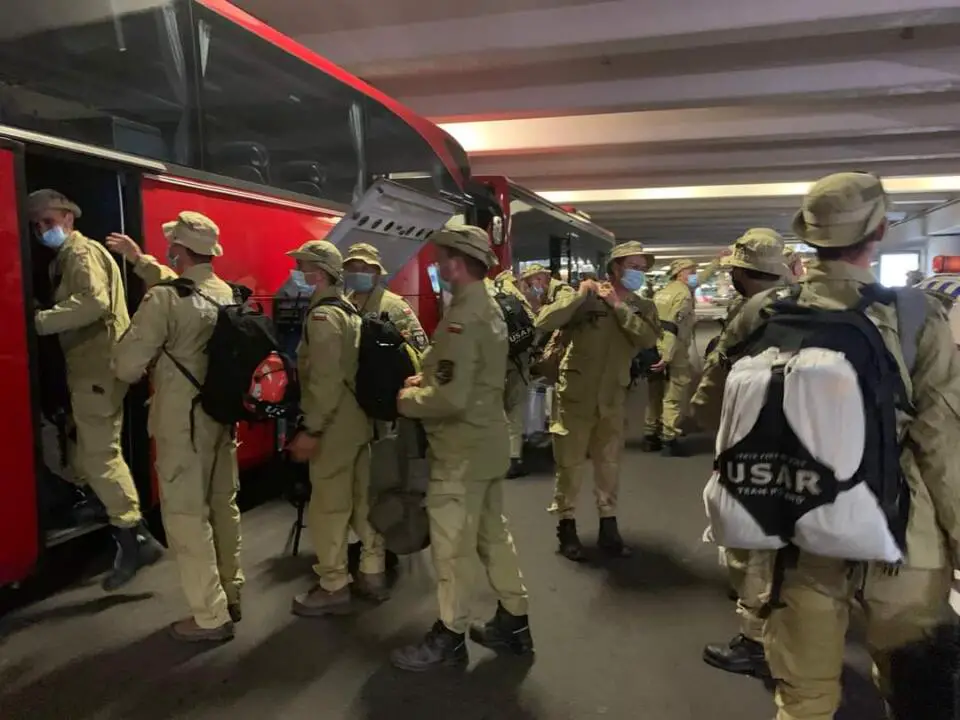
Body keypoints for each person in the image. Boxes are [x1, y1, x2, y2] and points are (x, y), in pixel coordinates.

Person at [696, 172, 960, 719]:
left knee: (804, 697)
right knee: (917, 694)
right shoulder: (916, 315)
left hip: (799, 531)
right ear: (879, 231)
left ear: (809, 237)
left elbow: (707, 408)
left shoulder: (762, 311)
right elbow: (939, 441)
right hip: (901, 537)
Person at [390, 225, 531, 672]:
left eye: (441, 257)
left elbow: (450, 398)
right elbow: (467, 375)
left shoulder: (462, 317)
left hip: (460, 452)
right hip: (487, 442)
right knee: (492, 536)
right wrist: (429, 377)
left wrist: (407, 399)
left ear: (456, 262)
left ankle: (450, 637)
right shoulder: (485, 306)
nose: (436, 264)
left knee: (452, 547)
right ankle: (514, 621)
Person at [111, 212, 241, 642]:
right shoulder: (224, 292)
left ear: (179, 250)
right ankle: (230, 594)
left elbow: (127, 366)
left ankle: (209, 616)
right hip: (221, 418)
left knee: (186, 516)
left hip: (183, 422)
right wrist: (141, 261)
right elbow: (181, 286)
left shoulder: (163, 300)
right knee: (222, 507)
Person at [28, 189, 162, 591]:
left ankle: (134, 537)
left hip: (97, 369)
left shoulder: (80, 253)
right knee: (92, 449)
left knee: (101, 454)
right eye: (37, 225)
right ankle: (108, 509)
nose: (42, 230)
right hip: (93, 368)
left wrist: (38, 321)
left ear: (69, 219)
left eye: (49, 222)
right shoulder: (69, 255)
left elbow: (94, 302)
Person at [689, 228, 790, 678]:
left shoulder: (753, 312)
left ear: (741, 272)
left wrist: (704, 418)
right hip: (813, 441)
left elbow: (718, 379)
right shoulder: (809, 301)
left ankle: (755, 640)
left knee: (753, 538)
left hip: (756, 438)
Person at [536, 241, 660, 561]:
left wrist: (618, 306)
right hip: (575, 396)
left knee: (609, 464)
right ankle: (566, 525)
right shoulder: (586, 296)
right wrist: (579, 296)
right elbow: (544, 321)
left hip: (612, 397)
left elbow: (647, 338)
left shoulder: (642, 306)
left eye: (642, 268)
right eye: (633, 267)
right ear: (615, 268)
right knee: (570, 464)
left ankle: (609, 526)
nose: (638, 273)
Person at [284, 240, 387, 614]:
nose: (298, 273)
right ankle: (372, 572)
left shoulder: (323, 317)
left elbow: (325, 380)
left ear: (319, 273)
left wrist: (311, 429)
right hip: (357, 422)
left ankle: (333, 585)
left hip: (333, 426)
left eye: (303, 267)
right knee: (361, 501)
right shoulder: (349, 310)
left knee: (329, 506)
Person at [643, 258, 699, 457]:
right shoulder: (683, 295)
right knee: (675, 392)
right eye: (692, 272)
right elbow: (673, 326)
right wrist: (667, 355)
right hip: (674, 350)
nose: (695, 276)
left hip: (655, 346)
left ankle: (651, 434)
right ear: (680, 273)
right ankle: (669, 437)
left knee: (655, 392)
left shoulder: (661, 293)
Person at [486, 268, 537, 478]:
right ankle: (512, 458)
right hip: (517, 359)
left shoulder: (479, 293)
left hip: (491, 359)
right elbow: (532, 323)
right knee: (514, 407)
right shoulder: (513, 292)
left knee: (492, 407)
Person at [342, 242, 428, 352]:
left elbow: (419, 348)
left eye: (365, 269)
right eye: (353, 269)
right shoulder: (343, 304)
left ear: (377, 274)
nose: (358, 273)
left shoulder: (395, 306)